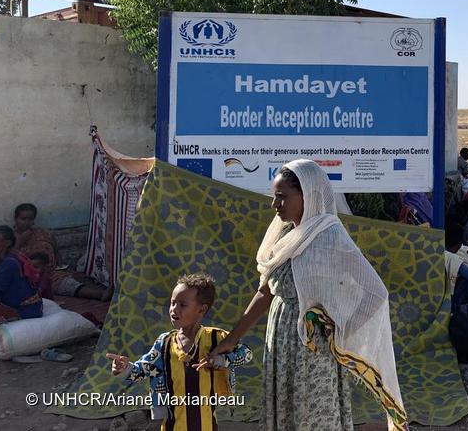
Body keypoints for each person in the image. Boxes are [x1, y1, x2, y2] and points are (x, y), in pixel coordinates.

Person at [206, 160, 406, 431]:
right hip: (280, 341)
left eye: (282, 197)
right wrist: (231, 339)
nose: (274, 205)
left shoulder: (330, 237)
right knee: (286, 411)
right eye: (274, 197)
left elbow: (375, 294)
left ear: (307, 195)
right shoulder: (285, 235)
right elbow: (265, 292)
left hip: (313, 349)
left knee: (313, 415)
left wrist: (340, 332)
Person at [106, 273, 253, 430]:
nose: (174, 309)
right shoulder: (165, 343)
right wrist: (124, 368)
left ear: (201, 309)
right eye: (172, 303)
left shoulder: (216, 339)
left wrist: (223, 361)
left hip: (206, 425)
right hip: (172, 425)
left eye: (182, 305)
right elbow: (142, 369)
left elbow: (246, 354)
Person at [12, 203, 112, 301]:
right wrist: (21, 241)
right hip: (29, 276)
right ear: (16, 219)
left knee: (68, 283)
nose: (26, 222)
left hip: (51, 271)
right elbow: (9, 258)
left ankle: (101, 294)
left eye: (30, 219)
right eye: (23, 219)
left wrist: (59, 264)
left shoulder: (42, 232)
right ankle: (100, 295)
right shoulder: (11, 238)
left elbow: (54, 248)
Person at [0, 225, 43, 325]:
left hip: (25, 310)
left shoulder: (9, 262)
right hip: (31, 306)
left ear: (7, 243)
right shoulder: (11, 256)